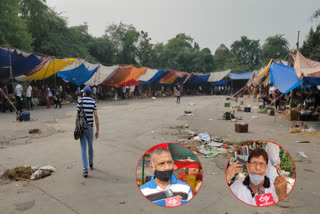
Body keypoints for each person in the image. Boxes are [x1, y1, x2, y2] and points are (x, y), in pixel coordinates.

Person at [76, 86, 99, 177]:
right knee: (90, 145)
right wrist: (97, 130)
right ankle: (91, 163)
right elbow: (96, 117)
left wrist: (76, 127)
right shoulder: (93, 102)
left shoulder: (80, 101)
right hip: (90, 127)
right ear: (90, 93)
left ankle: (85, 170)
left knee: (83, 148)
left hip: (82, 128)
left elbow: (77, 117)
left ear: (84, 92)